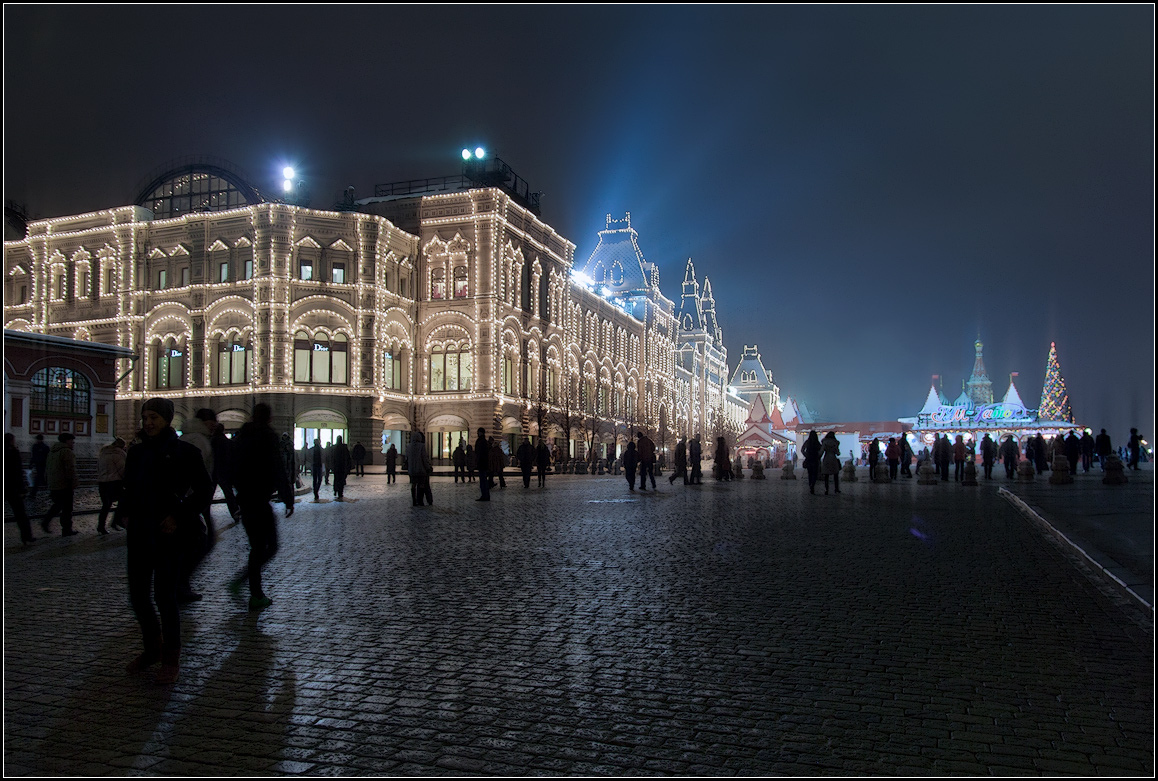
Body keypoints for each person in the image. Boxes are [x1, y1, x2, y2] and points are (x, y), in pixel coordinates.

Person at [121, 397, 213, 684]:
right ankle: (152, 649)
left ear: (167, 420)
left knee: (165, 597)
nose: (148, 423)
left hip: (168, 535)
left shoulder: (185, 452)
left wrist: (178, 516)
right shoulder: (136, 453)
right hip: (139, 533)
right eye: (145, 417)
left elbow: (204, 490)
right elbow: (128, 487)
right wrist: (123, 513)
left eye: (154, 418)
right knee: (138, 597)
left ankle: (171, 658)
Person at [229, 403, 294, 611]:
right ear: (269, 418)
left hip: (246, 499)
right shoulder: (267, 436)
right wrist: (287, 497)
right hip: (260, 499)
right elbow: (277, 467)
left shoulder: (240, 437)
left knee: (256, 547)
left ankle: (254, 592)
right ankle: (249, 587)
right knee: (270, 546)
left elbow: (232, 468)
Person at [179, 409, 218, 601]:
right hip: (191, 500)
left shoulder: (192, 437)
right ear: (204, 422)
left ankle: (180, 583)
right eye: (211, 421)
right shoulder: (198, 440)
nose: (214, 425)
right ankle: (179, 584)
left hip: (193, 499)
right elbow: (192, 471)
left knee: (198, 540)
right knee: (201, 541)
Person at [42, 433, 79, 536]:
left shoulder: (52, 451)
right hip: (64, 484)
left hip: (53, 483)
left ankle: (46, 521)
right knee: (67, 508)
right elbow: (70, 469)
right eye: (72, 441)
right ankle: (66, 529)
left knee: (58, 505)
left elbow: (47, 467)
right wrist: (73, 482)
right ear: (67, 441)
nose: (73, 443)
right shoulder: (66, 452)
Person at [5, 433, 35, 544]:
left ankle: (27, 535)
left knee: (20, 513)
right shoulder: (14, 452)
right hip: (13, 487)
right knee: (20, 514)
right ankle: (26, 536)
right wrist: (22, 488)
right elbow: (18, 472)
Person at [96, 437, 127, 535]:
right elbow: (122, 469)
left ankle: (101, 526)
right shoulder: (118, 454)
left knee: (105, 505)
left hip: (102, 482)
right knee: (123, 501)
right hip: (115, 482)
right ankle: (116, 521)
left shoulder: (103, 453)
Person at [211, 423, 240, 523]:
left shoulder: (212, 441)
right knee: (229, 493)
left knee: (209, 493)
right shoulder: (228, 442)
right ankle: (235, 511)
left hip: (213, 471)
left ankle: (204, 514)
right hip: (225, 471)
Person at [407, 432, 432, 506]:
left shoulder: (409, 446)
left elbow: (407, 458)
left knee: (413, 485)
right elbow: (424, 458)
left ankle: (414, 501)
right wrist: (428, 467)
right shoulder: (421, 446)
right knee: (421, 485)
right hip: (421, 470)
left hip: (412, 470)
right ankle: (420, 500)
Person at [331, 435, 352, 500]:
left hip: (336, 467)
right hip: (342, 467)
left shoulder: (334, 448)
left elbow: (332, 458)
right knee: (341, 480)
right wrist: (348, 467)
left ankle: (335, 490)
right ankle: (340, 492)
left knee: (336, 479)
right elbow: (348, 458)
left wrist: (331, 466)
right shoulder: (344, 448)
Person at [802, 430, 822, 494]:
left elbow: (802, 449)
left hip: (809, 459)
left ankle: (810, 484)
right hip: (815, 459)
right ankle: (812, 484)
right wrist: (819, 456)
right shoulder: (817, 443)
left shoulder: (807, 442)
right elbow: (821, 450)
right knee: (815, 473)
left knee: (810, 473)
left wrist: (806, 455)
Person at [29, 434, 49, 499]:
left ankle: (33, 492)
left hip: (42, 464)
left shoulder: (44, 447)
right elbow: (33, 456)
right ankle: (34, 492)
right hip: (39, 464)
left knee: (39, 478)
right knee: (40, 478)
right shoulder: (37, 447)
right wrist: (31, 463)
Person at [475, 429, 491, 501]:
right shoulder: (484, 441)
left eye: (478, 432)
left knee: (483, 481)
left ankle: (485, 495)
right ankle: (485, 495)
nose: (477, 433)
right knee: (483, 480)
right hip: (483, 463)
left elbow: (479, 453)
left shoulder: (481, 441)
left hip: (482, 463)